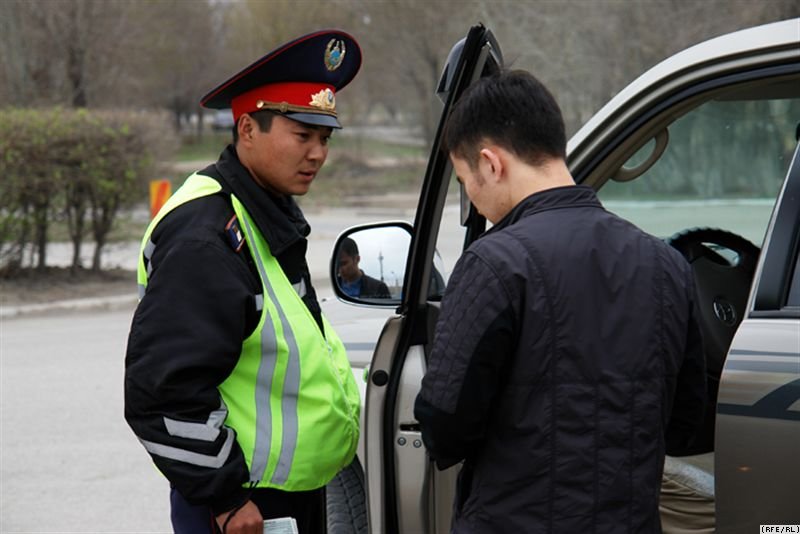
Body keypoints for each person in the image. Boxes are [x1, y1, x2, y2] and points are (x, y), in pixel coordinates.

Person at [414, 70, 707, 532]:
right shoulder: (665, 263)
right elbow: (688, 423)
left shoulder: (495, 262)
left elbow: (445, 425)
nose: (470, 197)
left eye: (464, 179)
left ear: (491, 164)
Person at [124, 30, 362, 534]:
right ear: (248, 129)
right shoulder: (205, 236)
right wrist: (226, 498)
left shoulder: (260, 209)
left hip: (282, 495)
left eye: (325, 138)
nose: (318, 154)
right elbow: (163, 391)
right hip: (242, 507)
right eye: (302, 135)